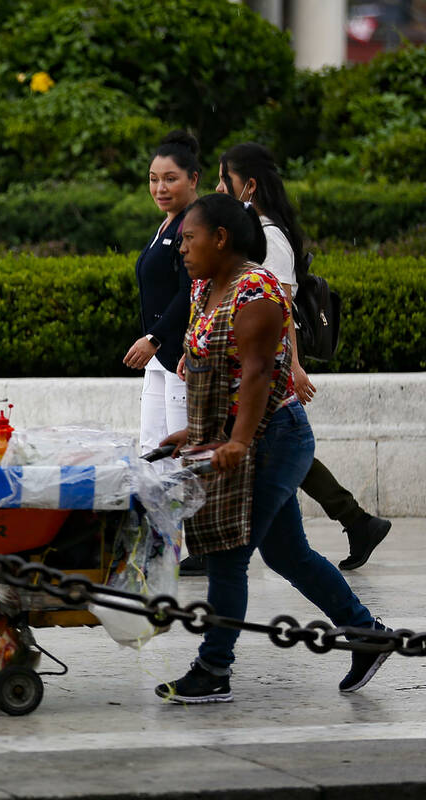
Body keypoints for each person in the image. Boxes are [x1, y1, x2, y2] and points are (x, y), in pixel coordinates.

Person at [155, 194, 389, 704]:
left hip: (275, 439)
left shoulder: (255, 290)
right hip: (238, 438)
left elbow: (259, 371)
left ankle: (214, 668)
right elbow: (216, 372)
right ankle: (366, 633)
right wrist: (193, 435)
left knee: (227, 553)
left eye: (190, 239)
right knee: (288, 553)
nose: (182, 249)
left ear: (220, 239)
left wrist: (238, 440)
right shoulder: (205, 288)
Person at [210, 142, 391, 572]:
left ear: (248, 186)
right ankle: (355, 520)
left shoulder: (268, 237)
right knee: (278, 448)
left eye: (224, 179)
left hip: (267, 365)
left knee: (276, 445)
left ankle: (348, 522)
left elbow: (280, 307)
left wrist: (291, 366)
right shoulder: (254, 229)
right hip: (258, 363)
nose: (218, 187)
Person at [123, 130, 199, 462]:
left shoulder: (194, 224)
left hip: (181, 357)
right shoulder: (167, 225)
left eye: (171, 179)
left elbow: (189, 291)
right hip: (159, 358)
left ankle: (186, 516)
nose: (160, 188)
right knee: (151, 450)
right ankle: (157, 516)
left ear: (193, 179)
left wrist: (154, 336)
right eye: (154, 180)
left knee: (179, 455)